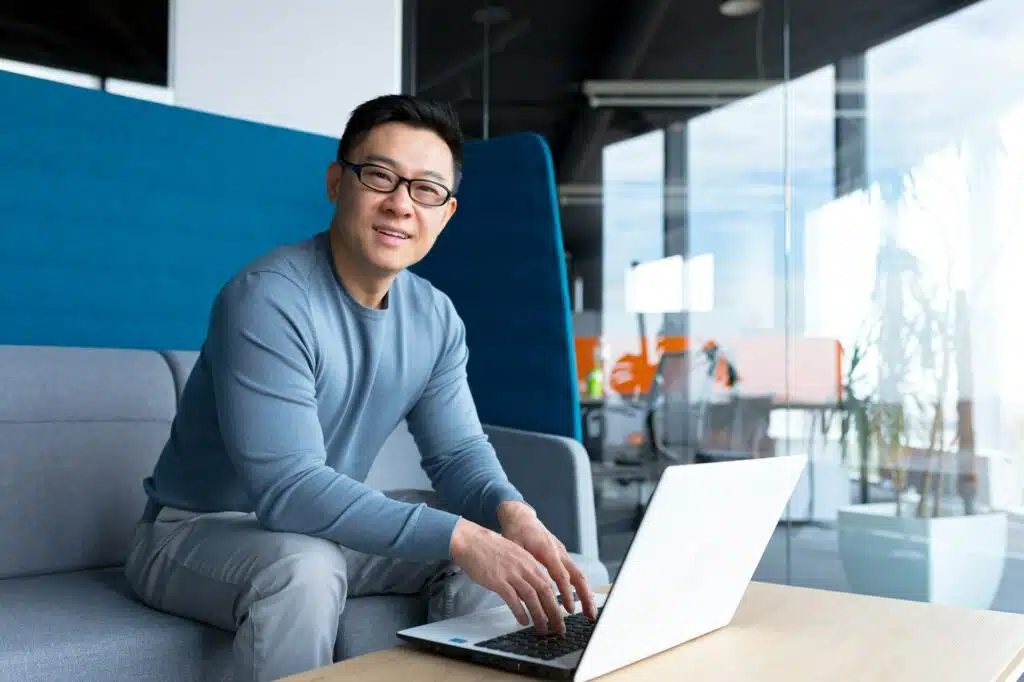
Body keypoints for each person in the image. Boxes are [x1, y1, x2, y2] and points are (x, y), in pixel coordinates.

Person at [124, 93, 598, 682]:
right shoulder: (268, 297)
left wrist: (512, 515)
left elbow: (458, 455)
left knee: (510, 556)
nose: (401, 204)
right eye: (379, 176)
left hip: (317, 531)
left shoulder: (436, 317)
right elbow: (289, 488)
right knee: (304, 566)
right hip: (191, 533)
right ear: (336, 182)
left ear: (445, 213)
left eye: (426, 189)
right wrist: (460, 536)